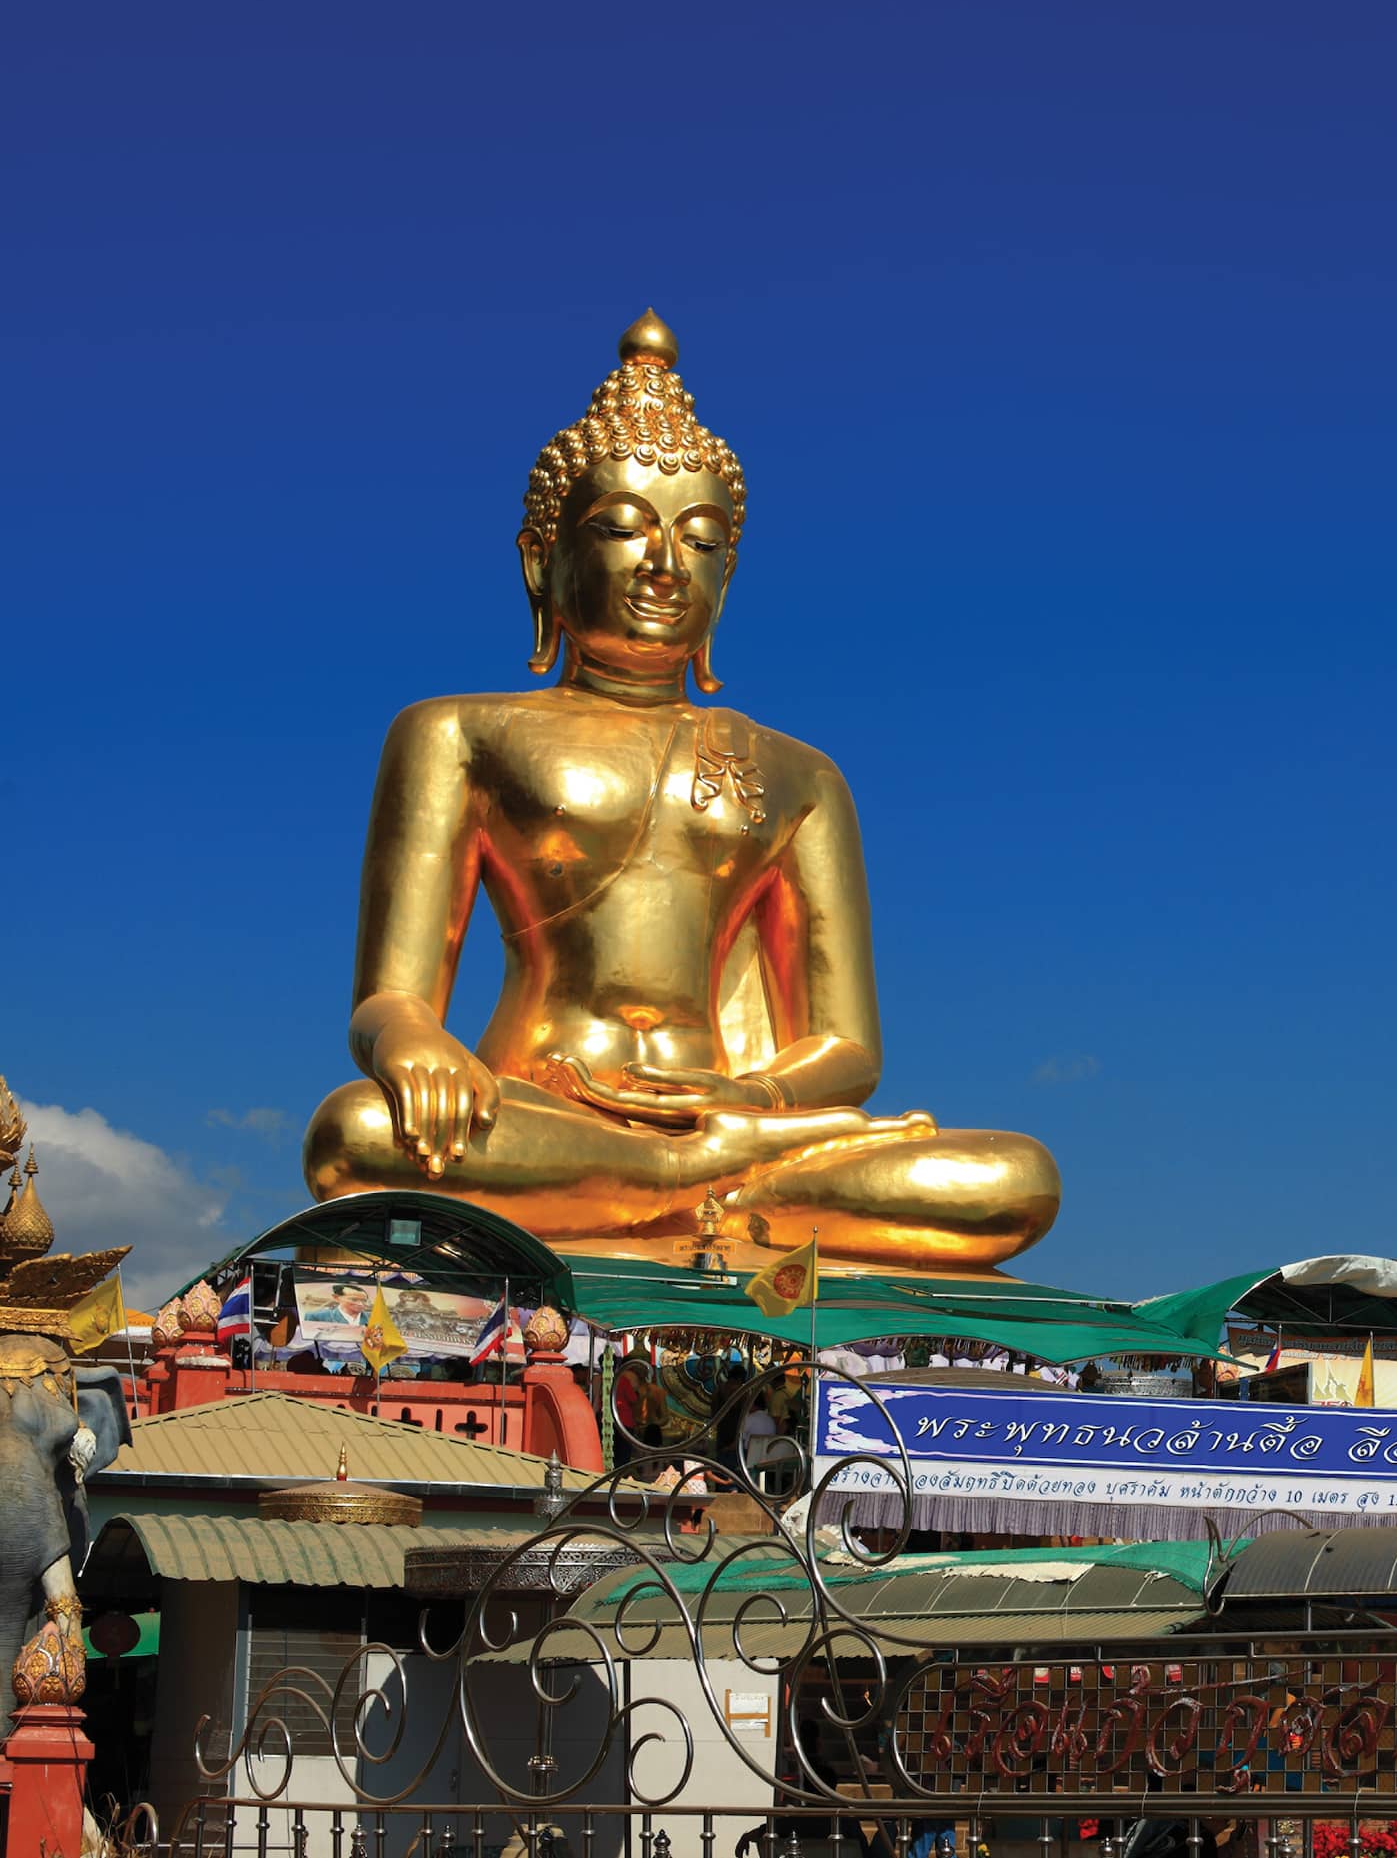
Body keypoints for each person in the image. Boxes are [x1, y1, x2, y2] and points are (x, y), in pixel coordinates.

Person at [303, 312, 1061, 1271]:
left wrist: (756, 1104)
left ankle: (686, 1184)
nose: (663, 567)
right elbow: (390, 996)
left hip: (741, 1119)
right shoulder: (456, 733)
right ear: (542, 559)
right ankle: (699, 1188)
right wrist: (412, 1040)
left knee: (1013, 1176)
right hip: (539, 1108)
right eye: (622, 529)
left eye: (698, 542)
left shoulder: (800, 774)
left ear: (728, 576)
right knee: (357, 1133)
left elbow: (845, 1046)